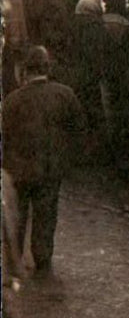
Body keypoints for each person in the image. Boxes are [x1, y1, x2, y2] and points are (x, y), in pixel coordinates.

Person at [2, 48, 82, 275]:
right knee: (46, 214)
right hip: (50, 168)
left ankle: (14, 262)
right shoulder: (64, 94)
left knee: (18, 214)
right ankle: (43, 259)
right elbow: (79, 129)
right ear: (48, 68)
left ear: (25, 71)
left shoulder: (13, 100)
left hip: (19, 169)